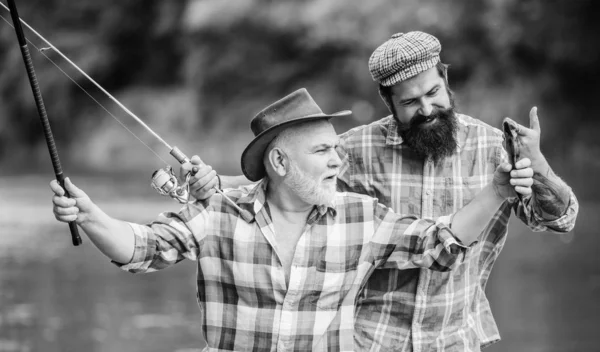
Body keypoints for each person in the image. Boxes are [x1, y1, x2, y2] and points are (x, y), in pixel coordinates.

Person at [51, 88, 535, 352]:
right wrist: (90, 216)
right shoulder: (219, 213)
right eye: (323, 152)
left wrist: (496, 189)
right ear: (280, 163)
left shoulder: (362, 219)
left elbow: (443, 242)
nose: (337, 163)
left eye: (339, 151)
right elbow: (142, 248)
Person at [187, 32, 579, 351]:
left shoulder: (494, 147)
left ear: (446, 80)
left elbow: (562, 219)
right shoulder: (355, 149)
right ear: (388, 101)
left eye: (433, 93)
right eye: (410, 102)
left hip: (456, 338)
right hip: (366, 338)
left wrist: (538, 164)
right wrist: (217, 184)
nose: (426, 109)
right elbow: (281, 184)